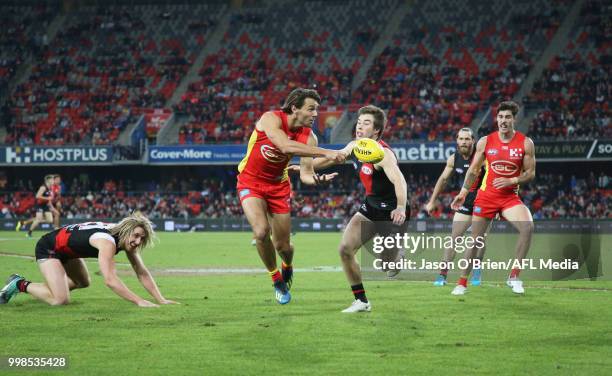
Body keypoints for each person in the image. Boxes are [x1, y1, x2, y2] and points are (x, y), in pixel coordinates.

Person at [237, 88, 345, 304]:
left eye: (317, 110)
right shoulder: (270, 119)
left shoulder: (309, 137)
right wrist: (327, 152)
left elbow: (305, 174)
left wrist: (316, 179)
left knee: (283, 247)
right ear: (295, 108)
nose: (316, 114)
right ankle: (276, 279)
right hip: (250, 182)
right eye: (311, 109)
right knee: (260, 231)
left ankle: (287, 265)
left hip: (279, 187)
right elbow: (284, 145)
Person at [312, 105, 408, 312]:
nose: (359, 126)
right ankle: (361, 301)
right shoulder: (355, 145)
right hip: (370, 206)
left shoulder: (383, 154)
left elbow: (400, 181)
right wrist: (303, 167)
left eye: (366, 123)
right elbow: (335, 157)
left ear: (376, 131)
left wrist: (400, 207)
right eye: (359, 122)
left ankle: (397, 256)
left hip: (391, 212)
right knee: (345, 249)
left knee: (386, 265)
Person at [0, 213, 178, 307]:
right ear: (127, 230)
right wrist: (139, 301)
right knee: (60, 300)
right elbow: (110, 280)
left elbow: (141, 272)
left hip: (68, 251)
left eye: (142, 239)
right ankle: (19, 283)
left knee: (83, 282)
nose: (137, 241)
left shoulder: (123, 237)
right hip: (49, 248)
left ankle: (53, 287)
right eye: (136, 236)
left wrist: (160, 299)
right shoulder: (108, 242)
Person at [451, 101, 536, 295]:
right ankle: (462, 282)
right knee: (476, 241)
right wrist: (463, 193)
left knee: (527, 227)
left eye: (507, 117)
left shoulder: (525, 143)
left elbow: (530, 173)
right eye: (500, 117)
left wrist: (512, 180)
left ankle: (514, 276)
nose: (503, 121)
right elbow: (473, 170)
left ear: (514, 119)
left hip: (509, 198)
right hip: (486, 196)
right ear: (496, 119)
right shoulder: (485, 141)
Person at [425, 128, 487, 286]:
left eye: (467, 139)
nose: (464, 142)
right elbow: (442, 179)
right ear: (457, 141)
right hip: (465, 201)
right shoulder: (454, 159)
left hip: (485, 202)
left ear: (473, 141)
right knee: (454, 238)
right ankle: (442, 275)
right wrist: (432, 201)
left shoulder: (483, 157)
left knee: (478, 240)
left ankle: (476, 270)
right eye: (461, 139)